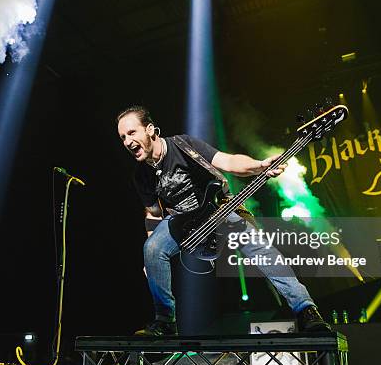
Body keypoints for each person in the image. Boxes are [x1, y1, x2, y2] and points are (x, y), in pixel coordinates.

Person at [116, 105, 330, 336]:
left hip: (216, 209)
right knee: (152, 247)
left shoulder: (182, 144)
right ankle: (166, 321)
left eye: (132, 133)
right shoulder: (141, 175)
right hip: (184, 223)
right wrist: (151, 258)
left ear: (150, 129)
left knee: (261, 248)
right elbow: (153, 215)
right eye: (122, 137)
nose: (127, 142)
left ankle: (306, 309)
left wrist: (259, 166)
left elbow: (227, 162)